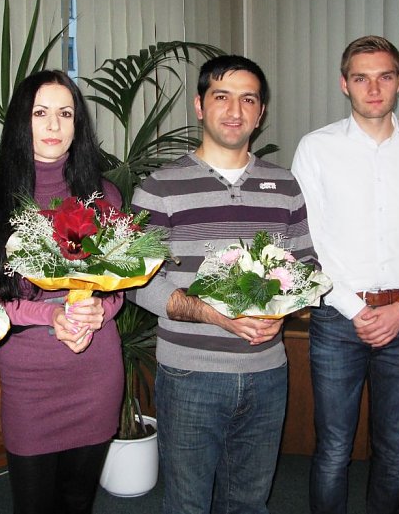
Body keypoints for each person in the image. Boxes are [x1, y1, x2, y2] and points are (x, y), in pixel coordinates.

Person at [130, 55, 316, 514]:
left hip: (268, 373)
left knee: (250, 503)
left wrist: (281, 311)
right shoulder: (160, 187)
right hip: (190, 374)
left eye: (247, 99)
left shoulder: (285, 185)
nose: (235, 110)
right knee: (188, 505)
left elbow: (307, 266)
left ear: (261, 112)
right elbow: (137, 282)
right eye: (222, 97)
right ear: (199, 106)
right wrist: (216, 315)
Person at [291, 35, 399, 514]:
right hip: (339, 321)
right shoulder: (317, 149)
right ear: (345, 84)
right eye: (361, 77)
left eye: (384, 76)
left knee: (394, 447)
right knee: (334, 448)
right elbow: (308, 245)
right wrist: (360, 310)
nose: (374, 87)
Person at [0, 70, 124, 514]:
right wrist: (48, 316)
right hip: (29, 375)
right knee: (32, 505)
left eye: (65, 113)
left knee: (77, 500)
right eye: (40, 113)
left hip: (96, 369)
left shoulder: (104, 196)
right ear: (21, 121)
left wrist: (100, 311)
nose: (53, 126)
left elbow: (119, 285)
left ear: (78, 124)